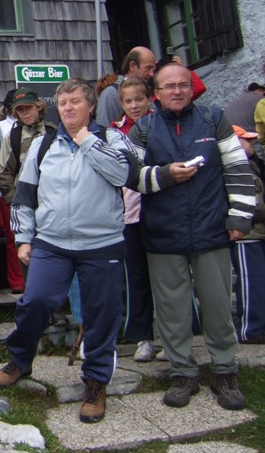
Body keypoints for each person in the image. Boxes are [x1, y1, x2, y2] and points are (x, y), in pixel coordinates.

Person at [0, 79, 134, 425]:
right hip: (52, 242)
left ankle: (96, 381)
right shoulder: (45, 143)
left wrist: (87, 140)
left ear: (91, 106)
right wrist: (24, 238)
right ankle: (21, 359)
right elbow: (25, 194)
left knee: (101, 313)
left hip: (101, 243)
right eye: (63, 102)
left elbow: (124, 174)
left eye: (75, 101)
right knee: (35, 301)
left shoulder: (112, 138)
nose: (68, 108)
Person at [127, 63, 256, 411]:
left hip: (212, 228)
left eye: (183, 85)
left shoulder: (214, 120)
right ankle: (183, 373)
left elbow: (237, 169)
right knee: (171, 311)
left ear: (191, 88)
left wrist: (239, 217)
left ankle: (225, 371)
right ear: (156, 93)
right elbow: (130, 176)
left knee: (217, 306)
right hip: (163, 232)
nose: (177, 91)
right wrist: (165, 175)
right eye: (169, 86)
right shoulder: (143, 128)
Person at [110, 77, 158, 362]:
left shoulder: (160, 125)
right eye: (128, 101)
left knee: (164, 275)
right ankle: (143, 337)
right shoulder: (115, 132)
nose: (134, 105)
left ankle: (171, 334)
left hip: (161, 211)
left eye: (139, 99)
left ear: (150, 99)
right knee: (136, 276)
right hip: (130, 214)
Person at [0, 87, 54, 293]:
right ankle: (34, 300)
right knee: (27, 257)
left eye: (28, 107)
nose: (25, 113)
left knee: (53, 259)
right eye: (20, 110)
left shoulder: (54, 132)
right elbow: (4, 173)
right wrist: (15, 203)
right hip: (26, 208)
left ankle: (57, 305)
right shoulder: (13, 137)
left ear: (38, 107)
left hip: (53, 207)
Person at [230, 125, 265, 345]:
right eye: (246, 140)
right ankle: (250, 330)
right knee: (251, 282)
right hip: (247, 233)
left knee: (259, 281)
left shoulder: (254, 164)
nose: (252, 144)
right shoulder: (235, 169)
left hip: (257, 232)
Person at [95, 47, 158, 127]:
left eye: (153, 69)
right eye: (148, 68)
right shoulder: (111, 94)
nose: (152, 74)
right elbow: (104, 130)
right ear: (132, 66)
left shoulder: (147, 91)